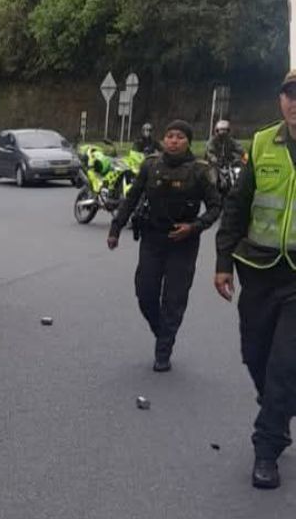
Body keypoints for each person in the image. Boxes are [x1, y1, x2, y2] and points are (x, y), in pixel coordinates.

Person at [215, 71, 296, 490]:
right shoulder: (263, 142)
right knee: (255, 355)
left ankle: (267, 449)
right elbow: (237, 206)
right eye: (290, 95)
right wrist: (223, 262)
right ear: (281, 100)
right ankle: (279, 406)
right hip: (259, 271)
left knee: (284, 364)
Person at [108, 120, 221, 372]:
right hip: (153, 238)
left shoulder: (200, 170)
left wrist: (194, 227)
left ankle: (163, 351)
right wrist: (116, 228)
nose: (174, 141)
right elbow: (132, 197)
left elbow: (215, 207)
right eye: (170, 136)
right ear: (163, 139)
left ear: (188, 142)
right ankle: (163, 332)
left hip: (183, 243)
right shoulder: (151, 165)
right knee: (145, 293)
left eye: (180, 137)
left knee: (174, 298)